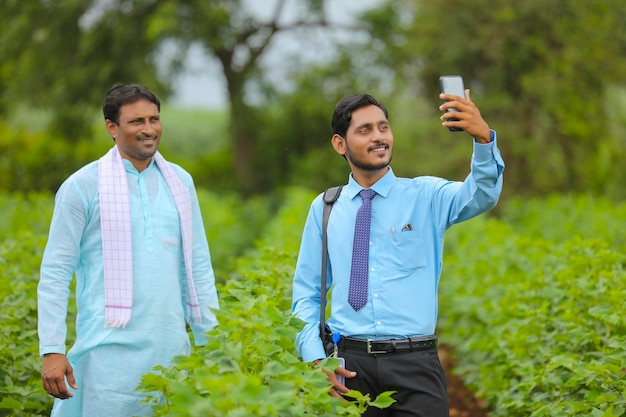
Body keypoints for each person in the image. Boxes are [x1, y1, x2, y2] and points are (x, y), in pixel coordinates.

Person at [292, 90, 504, 416]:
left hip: (415, 363)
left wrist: (483, 140)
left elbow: (482, 195)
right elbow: (307, 293)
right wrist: (316, 358)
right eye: (365, 130)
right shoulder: (325, 208)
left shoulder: (426, 196)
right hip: (349, 365)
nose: (378, 137)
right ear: (340, 144)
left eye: (383, 127)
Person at [38, 83, 219, 416]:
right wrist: (52, 348)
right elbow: (55, 271)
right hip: (107, 354)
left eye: (154, 119)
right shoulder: (82, 187)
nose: (149, 130)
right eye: (137, 121)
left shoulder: (180, 182)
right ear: (112, 127)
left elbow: (197, 266)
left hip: (171, 351)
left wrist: (216, 345)